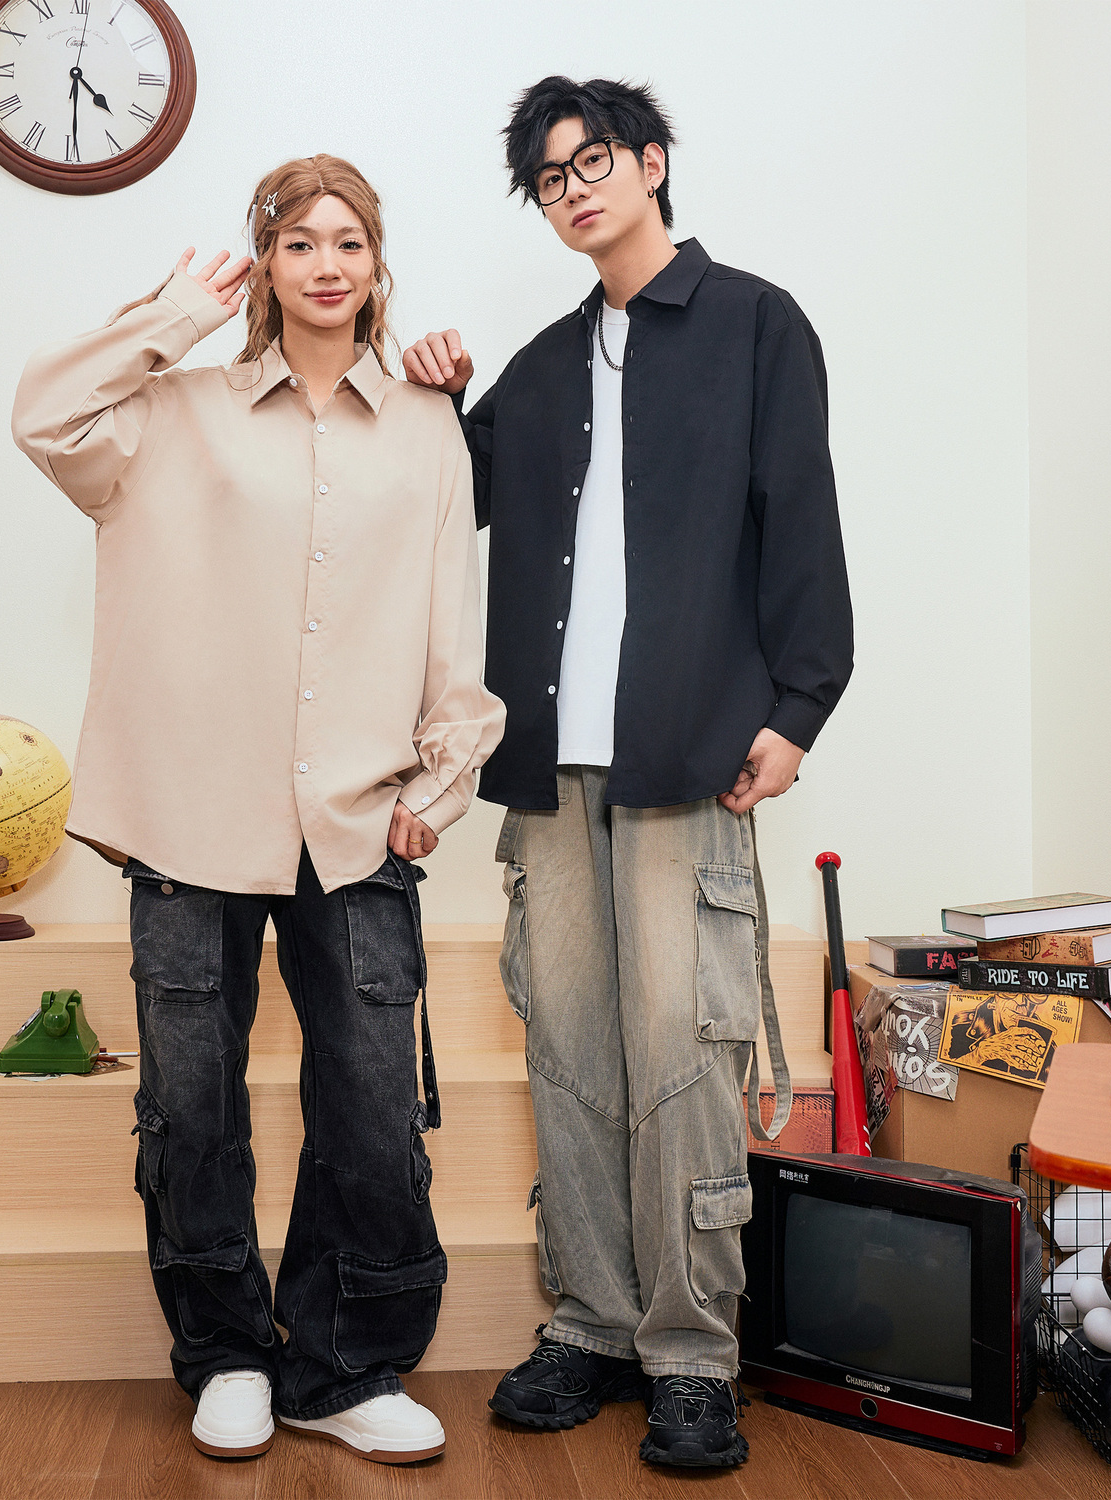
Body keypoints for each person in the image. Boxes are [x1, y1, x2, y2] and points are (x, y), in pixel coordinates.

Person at [13, 154, 505, 1466]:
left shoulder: (427, 427)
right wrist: (176, 309)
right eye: (299, 243)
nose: (326, 265)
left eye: (349, 241)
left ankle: (341, 1368)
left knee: (374, 1114)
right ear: (267, 266)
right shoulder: (171, 410)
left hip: (359, 820)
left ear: (378, 263)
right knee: (192, 1109)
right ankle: (227, 1351)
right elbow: (43, 415)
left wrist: (441, 781)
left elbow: (452, 626)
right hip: (190, 813)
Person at [403, 76, 853, 1469]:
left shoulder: (756, 324)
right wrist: (438, 399)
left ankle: (693, 1352)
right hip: (551, 769)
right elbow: (453, 497)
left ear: (651, 163)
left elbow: (802, 512)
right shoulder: (543, 367)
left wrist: (800, 705)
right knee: (572, 1052)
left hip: (689, 751)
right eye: (550, 179)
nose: (574, 190)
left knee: (684, 1056)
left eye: (591, 160)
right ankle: (591, 1324)